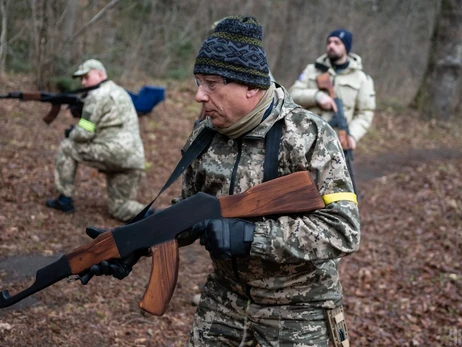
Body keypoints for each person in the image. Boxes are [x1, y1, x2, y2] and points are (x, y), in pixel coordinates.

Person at [82, 17, 360, 346]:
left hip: (300, 310)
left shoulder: (309, 135)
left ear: (250, 87)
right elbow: (189, 214)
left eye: (211, 84)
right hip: (223, 303)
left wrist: (253, 236)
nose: (199, 95)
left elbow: (344, 228)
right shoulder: (205, 134)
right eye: (198, 82)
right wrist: (134, 241)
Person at [45, 59, 147, 222]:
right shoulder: (121, 92)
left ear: (100, 74)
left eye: (86, 77)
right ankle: (159, 217)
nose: (83, 82)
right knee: (120, 207)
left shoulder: (96, 95)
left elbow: (84, 133)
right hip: (134, 158)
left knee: (67, 146)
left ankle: (64, 199)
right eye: (81, 79)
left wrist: (71, 132)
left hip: (111, 152)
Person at [289, 29, 375, 150]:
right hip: (304, 139)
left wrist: (353, 135)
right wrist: (317, 97)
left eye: (337, 43)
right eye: (329, 42)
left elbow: (365, 112)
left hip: (337, 144)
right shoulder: (312, 70)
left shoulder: (362, 79)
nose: (331, 46)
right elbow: (292, 94)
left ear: (346, 47)